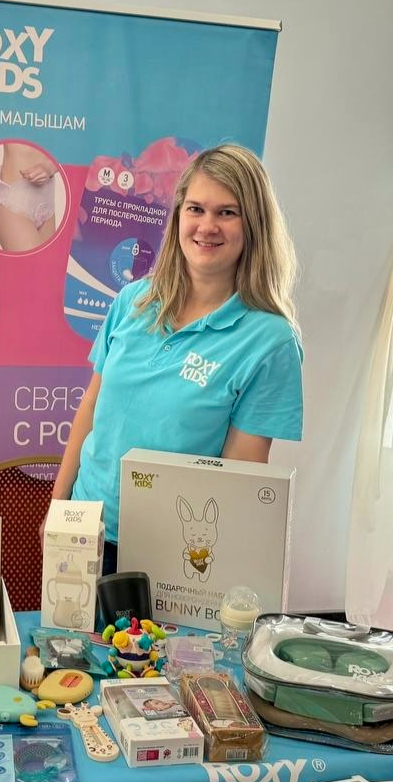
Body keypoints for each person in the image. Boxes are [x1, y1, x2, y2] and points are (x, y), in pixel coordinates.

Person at [52, 144, 303, 576]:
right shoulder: (133, 300)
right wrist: (59, 508)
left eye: (227, 212)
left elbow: (237, 476)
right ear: (179, 216)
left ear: (254, 225)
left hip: (173, 551)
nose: (207, 226)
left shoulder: (269, 341)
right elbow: (91, 407)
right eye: (196, 209)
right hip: (85, 528)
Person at [0, 143, 58, 252]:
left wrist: (51, 167)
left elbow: (73, 145)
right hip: (12, 200)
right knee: (33, 262)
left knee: (49, 263)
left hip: (47, 203)